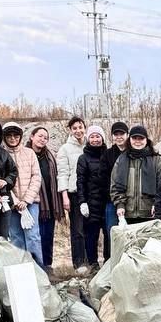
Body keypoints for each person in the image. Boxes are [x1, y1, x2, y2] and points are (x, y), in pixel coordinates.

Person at [2, 123, 43, 265]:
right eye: (9, 136)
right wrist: (14, 201)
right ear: (4, 137)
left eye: (16, 135)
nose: (13, 138)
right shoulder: (1, 154)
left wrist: (26, 200)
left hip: (30, 203)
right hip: (11, 203)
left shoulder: (29, 153)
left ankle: (38, 270)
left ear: (20, 137)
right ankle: (21, 271)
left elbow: (36, 177)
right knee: (15, 238)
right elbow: (1, 180)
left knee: (33, 236)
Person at [111, 125, 161, 224]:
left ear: (146, 140)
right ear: (129, 140)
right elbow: (114, 185)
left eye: (141, 138)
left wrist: (156, 204)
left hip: (150, 214)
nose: (137, 141)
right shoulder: (121, 159)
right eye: (134, 138)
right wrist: (120, 205)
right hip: (126, 214)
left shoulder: (155, 160)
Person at [76, 125, 111, 268]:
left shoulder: (108, 155)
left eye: (98, 136)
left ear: (103, 138)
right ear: (88, 139)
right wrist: (82, 201)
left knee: (109, 234)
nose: (95, 139)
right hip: (91, 203)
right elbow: (80, 181)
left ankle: (108, 262)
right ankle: (93, 264)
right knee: (91, 235)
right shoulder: (83, 158)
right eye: (92, 137)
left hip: (107, 202)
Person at [57, 116, 88, 271]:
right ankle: (79, 263)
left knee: (90, 229)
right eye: (74, 128)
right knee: (78, 229)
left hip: (90, 193)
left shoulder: (90, 144)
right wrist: (65, 196)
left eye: (80, 127)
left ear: (85, 128)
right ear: (70, 130)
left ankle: (91, 260)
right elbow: (62, 173)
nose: (78, 131)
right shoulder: (65, 149)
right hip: (74, 193)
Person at [29, 127, 61, 271]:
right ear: (32, 136)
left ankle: (48, 265)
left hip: (50, 201)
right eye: (40, 136)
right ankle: (36, 266)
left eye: (45, 137)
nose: (42, 139)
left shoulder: (49, 155)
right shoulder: (26, 154)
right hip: (34, 202)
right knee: (35, 236)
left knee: (48, 235)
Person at [103, 121, 129, 255]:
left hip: (130, 200)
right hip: (112, 201)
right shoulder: (108, 154)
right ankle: (111, 260)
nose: (119, 137)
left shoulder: (133, 152)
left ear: (127, 135)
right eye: (116, 134)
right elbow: (103, 177)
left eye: (122, 134)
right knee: (112, 232)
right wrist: (114, 197)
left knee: (129, 234)